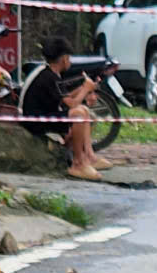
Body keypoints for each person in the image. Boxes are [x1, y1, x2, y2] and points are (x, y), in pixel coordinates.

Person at [18, 37, 105, 179]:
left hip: (45, 115)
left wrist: (84, 88)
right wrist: (85, 89)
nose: (69, 61)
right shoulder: (48, 77)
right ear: (64, 59)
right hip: (36, 121)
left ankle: (87, 157)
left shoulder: (51, 74)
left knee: (84, 111)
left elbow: (65, 97)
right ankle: (78, 163)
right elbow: (72, 104)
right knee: (78, 113)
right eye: (69, 58)